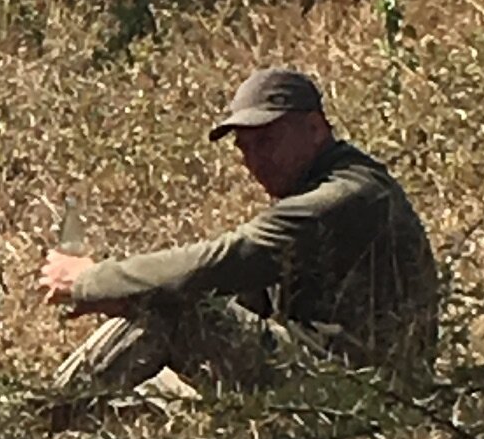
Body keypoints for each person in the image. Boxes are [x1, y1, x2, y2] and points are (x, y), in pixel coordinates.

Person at [38, 63, 441, 409]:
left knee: (173, 304)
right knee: (153, 395)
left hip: (357, 391)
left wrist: (90, 281)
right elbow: (247, 288)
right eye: (244, 147)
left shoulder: (344, 196)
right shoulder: (331, 188)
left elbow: (226, 260)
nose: (253, 160)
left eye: (266, 140)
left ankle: (39, 425)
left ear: (315, 128)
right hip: (345, 380)